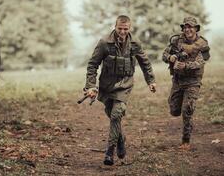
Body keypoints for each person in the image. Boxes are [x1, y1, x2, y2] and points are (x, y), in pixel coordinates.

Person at [84, 15, 156, 165]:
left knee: (116, 114)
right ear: (115, 27)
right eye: (120, 28)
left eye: (126, 29)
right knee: (112, 115)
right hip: (107, 86)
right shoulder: (104, 43)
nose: (123, 32)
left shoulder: (135, 43)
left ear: (130, 28)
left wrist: (151, 81)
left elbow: (145, 63)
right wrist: (91, 86)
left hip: (125, 85)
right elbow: (92, 65)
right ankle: (120, 139)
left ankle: (109, 151)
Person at [162, 17, 210, 151]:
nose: (188, 29)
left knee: (187, 110)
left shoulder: (202, 43)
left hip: (193, 82)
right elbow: (164, 54)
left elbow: (201, 61)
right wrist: (170, 58)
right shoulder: (176, 40)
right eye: (185, 27)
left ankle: (185, 140)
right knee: (174, 110)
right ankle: (175, 104)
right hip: (178, 81)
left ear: (196, 29)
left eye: (191, 27)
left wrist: (185, 66)